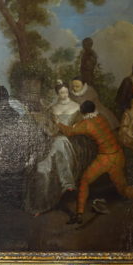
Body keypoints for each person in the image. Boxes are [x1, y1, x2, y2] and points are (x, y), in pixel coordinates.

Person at [57, 100, 133, 224]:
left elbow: (69, 132)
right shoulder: (101, 118)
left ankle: (79, 214)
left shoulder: (86, 123)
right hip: (118, 155)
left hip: (105, 158)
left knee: (84, 180)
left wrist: (57, 123)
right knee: (122, 186)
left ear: (83, 112)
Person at [23, 82, 95, 216]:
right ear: (58, 94)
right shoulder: (52, 108)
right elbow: (50, 128)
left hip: (70, 138)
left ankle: (67, 183)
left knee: (60, 141)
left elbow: (82, 125)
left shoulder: (76, 106)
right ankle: (41, 203)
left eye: (66, 92)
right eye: (61, 93)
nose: (64, 95)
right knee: (44, 163)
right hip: (55, 137)